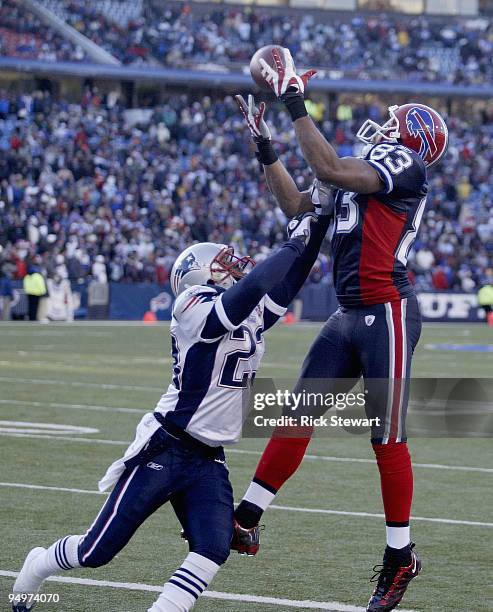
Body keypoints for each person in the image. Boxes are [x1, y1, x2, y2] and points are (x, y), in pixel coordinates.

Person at [11, 201, 334, 612]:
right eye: (221, 265)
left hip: (207, 457)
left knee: (213, 548)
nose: (232, 269)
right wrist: (293, 241)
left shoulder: (243, 307)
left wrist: (317, 229)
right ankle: (37, 566)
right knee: (97, 551)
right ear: (198, 273)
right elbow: (251, 289)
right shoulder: (191, 304)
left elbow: (287, 283)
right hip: (166, 446)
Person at [234, 46, 448, 612]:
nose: (384, 126)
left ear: (411, 136)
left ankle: (401, 557)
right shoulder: (359, 171)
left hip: (388, 311)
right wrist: (265, 150)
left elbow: (328, 168)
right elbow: (300, 206)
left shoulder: (406, 166)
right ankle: (248, 517)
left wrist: (293, 100)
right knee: (295, 414)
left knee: (386, 437)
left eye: (395, 122)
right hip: (349, 313)